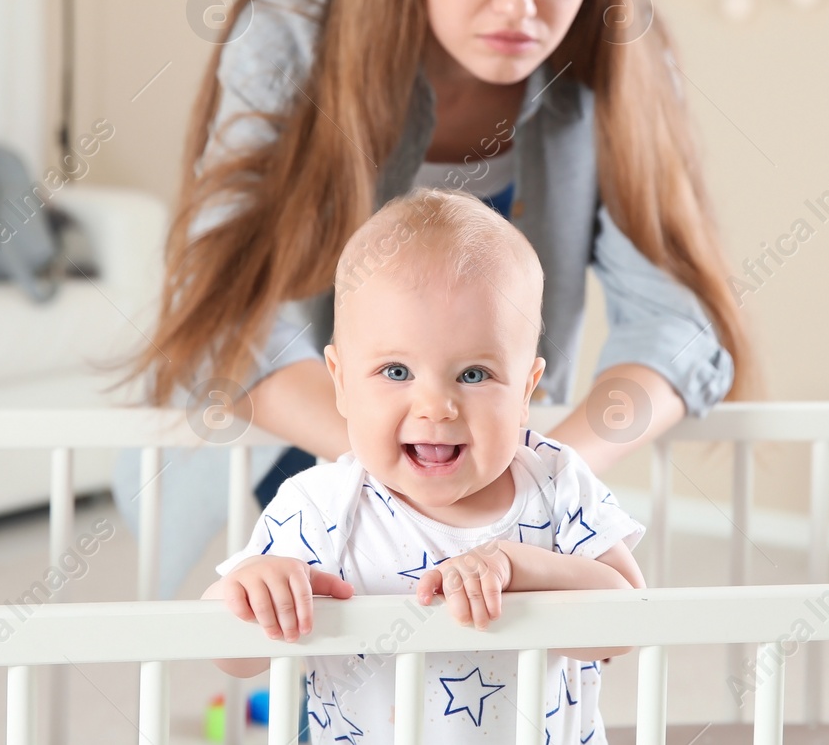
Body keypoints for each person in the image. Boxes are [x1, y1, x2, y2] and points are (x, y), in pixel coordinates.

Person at [110, 0, 756, 599]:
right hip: (304, 430)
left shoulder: (617, 51)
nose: (518, 4)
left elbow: (673, 322)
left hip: (495, 454)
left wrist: (538, 473)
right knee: (321, 669)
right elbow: (229, 307)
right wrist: (395, 455)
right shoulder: (294, 34)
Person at [204, 188, 646, 743]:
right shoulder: (318, 507)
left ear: (527, 390)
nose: (437, 406)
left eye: (474, 375)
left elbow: (628, 621)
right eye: (395, 371)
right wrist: (250, 589)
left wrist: (522, 567)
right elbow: (229, 656)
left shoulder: (557, 483)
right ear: (339, 382)